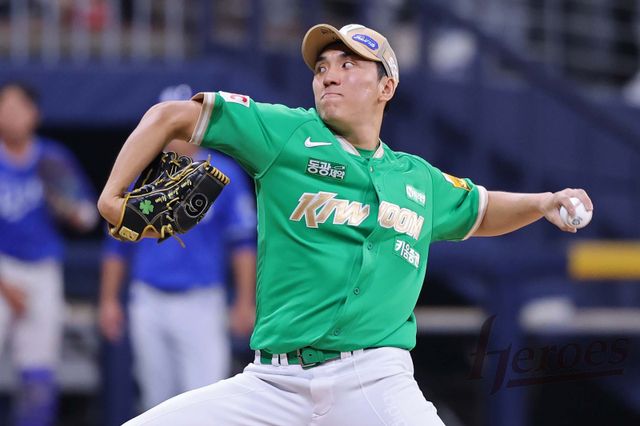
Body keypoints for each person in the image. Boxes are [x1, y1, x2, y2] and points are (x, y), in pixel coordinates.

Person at [97, 23, 593, 426]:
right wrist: (112, 198)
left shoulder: (417, 178)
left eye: (348, 64)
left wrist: (542, 202)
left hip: (374, 379)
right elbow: (169, 116)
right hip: (273, 383)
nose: (329, 76)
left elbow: (481, 210)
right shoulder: (286, 134)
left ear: (386, 87)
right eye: (322, 67)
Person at [98, 139, 257, 412]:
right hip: (148, 297)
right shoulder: (139, 169)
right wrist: (108, 300)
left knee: (206, 398)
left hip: (200, 300)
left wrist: (245, 301)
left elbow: (242, 242)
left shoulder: (221, 172)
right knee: (155, 400)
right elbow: (117, 244)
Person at [0, 81, 98, 426]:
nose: (11, 115)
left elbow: (87, 217)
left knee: (38, 377)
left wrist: (69, 208)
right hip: (2, 267)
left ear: (34, 114)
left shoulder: (52, 158)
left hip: (42, 270)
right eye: (4, 107)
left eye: (19, 107)